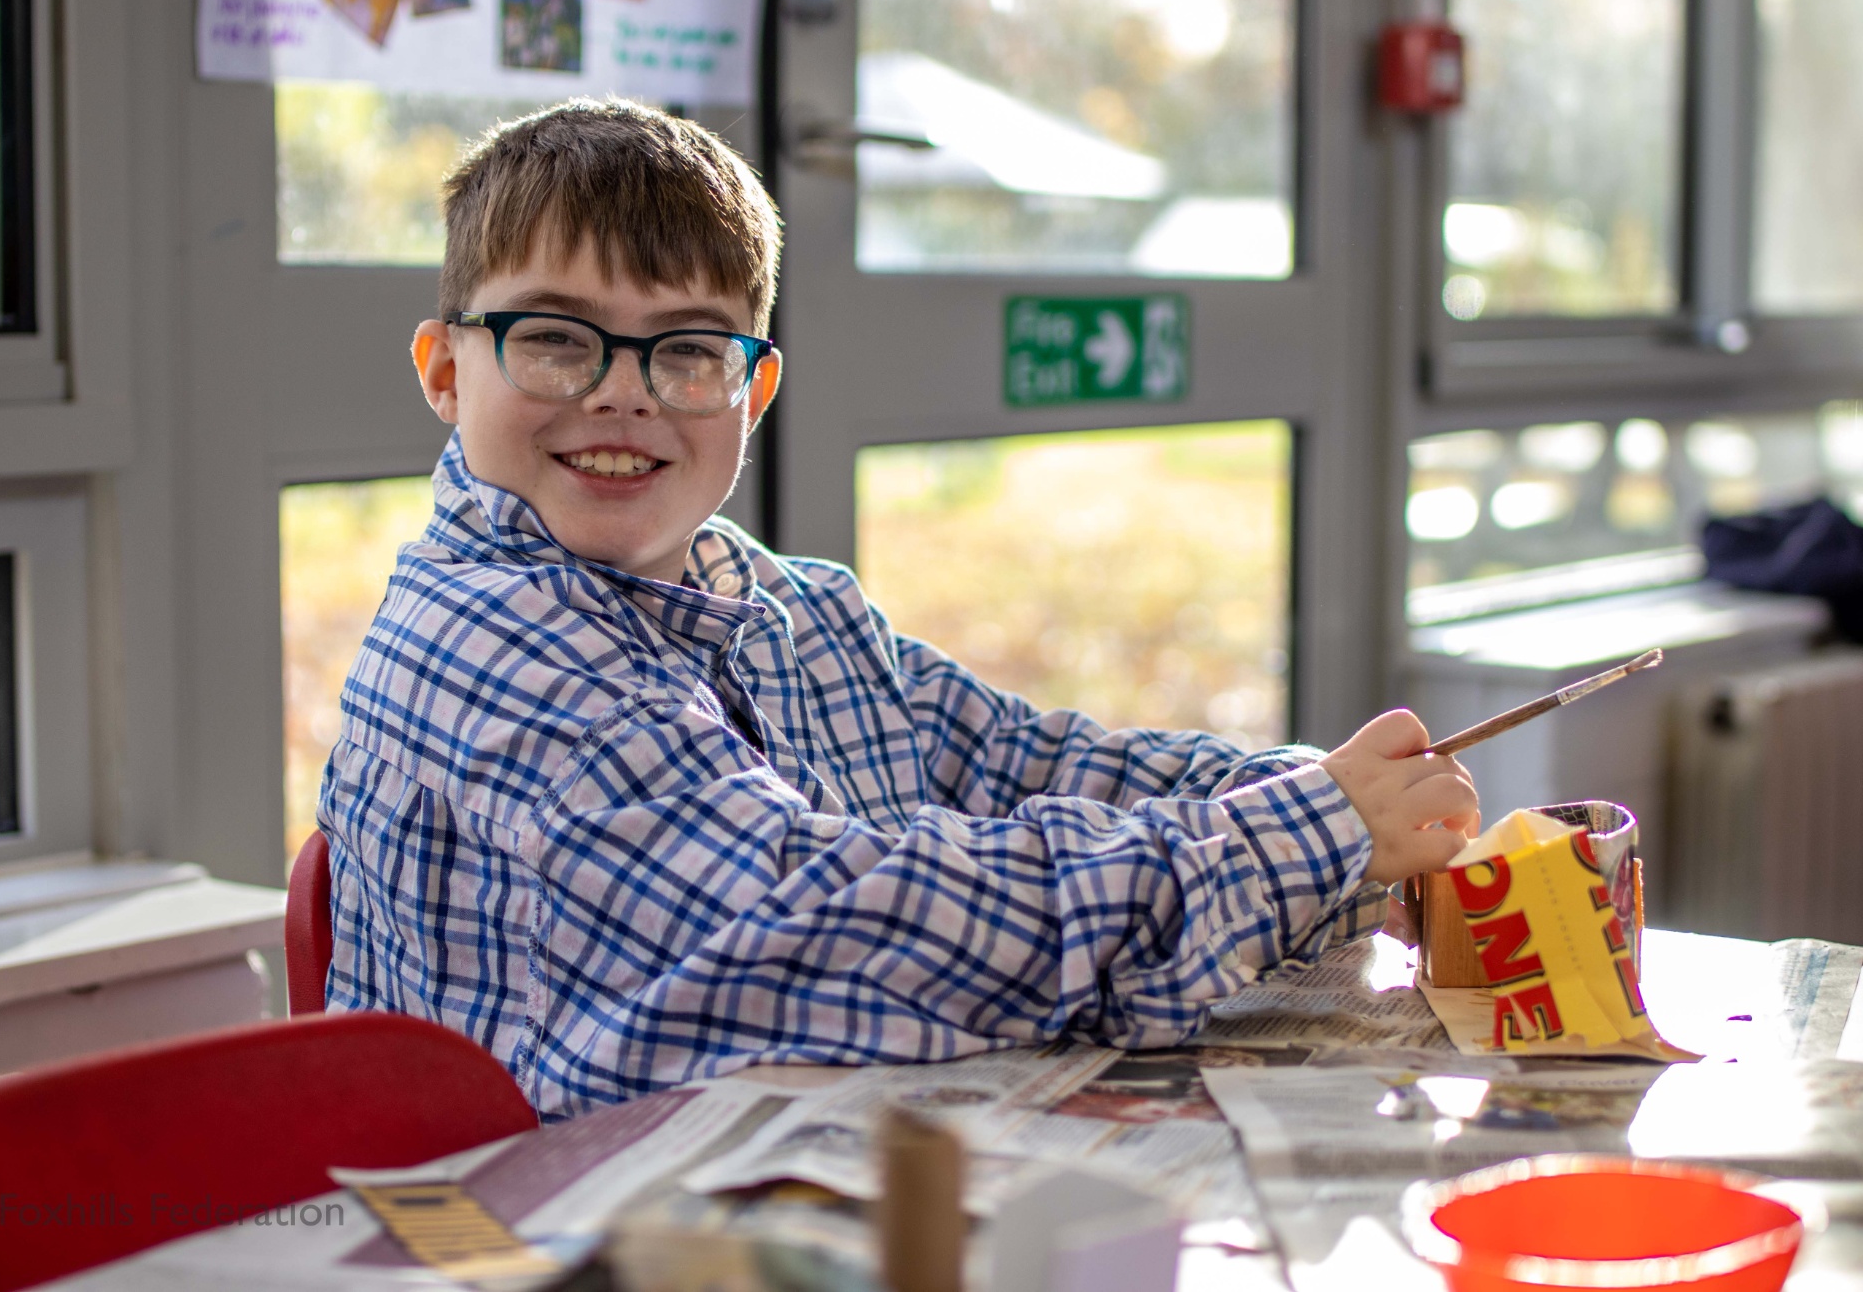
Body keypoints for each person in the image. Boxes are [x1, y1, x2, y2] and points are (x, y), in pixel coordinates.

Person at [319, 98, 1480, 1121]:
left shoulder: (787, 606)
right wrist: (1305, 838)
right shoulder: (484, 642)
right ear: (443, 371)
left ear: (752, 388)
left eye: (688, 351)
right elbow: (845, 921)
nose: (623, 392)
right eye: (557, 339)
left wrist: (1310, 797)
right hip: (548, 1240)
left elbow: (1034, 761)